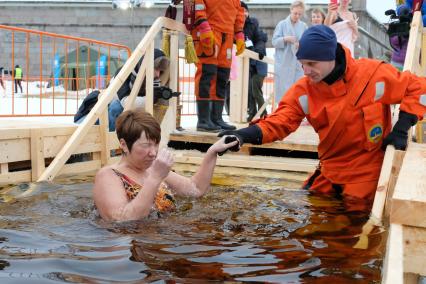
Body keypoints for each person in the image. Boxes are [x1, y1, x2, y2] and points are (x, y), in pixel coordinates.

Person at [218, 25, 426, 201]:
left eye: (312, 64)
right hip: (330, 172)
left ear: (330, 58)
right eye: (302, 64)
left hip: (367, 175)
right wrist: (242, 135)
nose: (306, 71)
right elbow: (279, 122)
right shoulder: (303, 91)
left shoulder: (372, 75)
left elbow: (419, 89)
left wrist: (402, 127)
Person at [93, 108, 238, 221]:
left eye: (156, 145)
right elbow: (121, 220)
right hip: (132, 247)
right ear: (124, 145)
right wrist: (155, 178)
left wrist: (212, 152)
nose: (153, 152)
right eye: (145, 145)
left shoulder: (153, 168)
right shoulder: (109, 175)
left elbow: (195, 190)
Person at [189, 0, 245, 132]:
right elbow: (198, 6)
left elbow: (238, 13)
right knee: (206, 74)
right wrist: (203, 26)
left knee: (222, 76)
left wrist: (239, 34)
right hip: (210, 31)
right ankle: (203, 120)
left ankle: (216, 118)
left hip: (228, 35)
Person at [272, 0, 307, 103]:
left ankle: (296, 117)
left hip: (297, 64)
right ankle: (282, 116)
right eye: (295, 13)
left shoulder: (304, 26)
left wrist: (300, 44)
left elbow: (307, 43)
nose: (297, 16)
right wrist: (285, 39)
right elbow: (274, 42)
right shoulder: (282, 24)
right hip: (283, 64)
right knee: (283, 93)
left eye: (299, 14)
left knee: (298, 92)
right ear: (291, 10)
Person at [240, 1, 268, 121]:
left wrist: (257, 51)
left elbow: (261, 38)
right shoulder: (235, 25)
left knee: (255, 90)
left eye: (245, 11)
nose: (244, 13)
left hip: (258, 64)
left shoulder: (253, 24)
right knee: (249, 91)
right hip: (246, 64)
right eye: (241, 11)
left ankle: (264, 113)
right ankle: (253, 114)